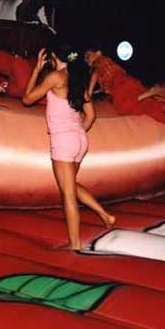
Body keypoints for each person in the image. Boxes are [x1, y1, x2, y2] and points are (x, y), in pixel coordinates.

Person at [23, 45, 116, 251]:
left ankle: (74, 244)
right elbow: (91, 115)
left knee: (67, 194)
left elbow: (27, 99)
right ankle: (105, 215)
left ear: (54, 57)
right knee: (70, 185)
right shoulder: (77, 80)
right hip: (79, 140)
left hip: (64, 141)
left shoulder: (55, 77)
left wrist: (36, 70)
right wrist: (76, 133)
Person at [84, 48, 165, 127]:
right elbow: (104, 83)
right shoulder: (105, 65)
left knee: (122, 106)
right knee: (145, 105)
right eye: (85, 58)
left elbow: (95, 74)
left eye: (88, 54)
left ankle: (150, 92)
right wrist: (99, 91)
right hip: (126, 82)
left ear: (98, 52)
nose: (86, 58)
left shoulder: (98, 62)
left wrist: (89, 92)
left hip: (119, 82)